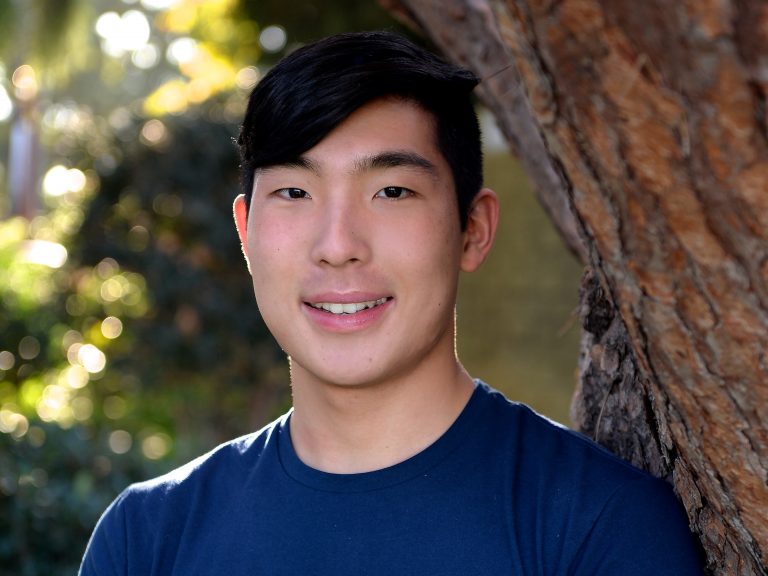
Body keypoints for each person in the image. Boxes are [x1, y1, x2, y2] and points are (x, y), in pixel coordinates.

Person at [79, 31, 703, 575]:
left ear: (472, 230)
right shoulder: (146, 539)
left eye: (392, 191)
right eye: (295, 192)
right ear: (246, 234)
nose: (338, 247)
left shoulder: (598, 525)